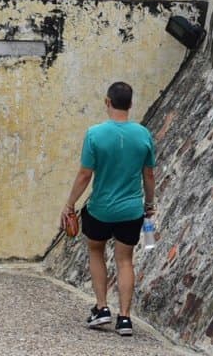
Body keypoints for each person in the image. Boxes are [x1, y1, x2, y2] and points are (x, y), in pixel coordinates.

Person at [61, 81, 156, 338]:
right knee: (125, 261)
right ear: (131, 104)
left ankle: (102, 308)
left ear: (107, 101)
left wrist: (70, 204)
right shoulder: (143, 135)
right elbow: (148, 175)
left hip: (101, 209)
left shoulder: (95, 134)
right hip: (131, 210)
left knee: (96, 251)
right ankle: (124, 319)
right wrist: (149, 205)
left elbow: (84, 175)